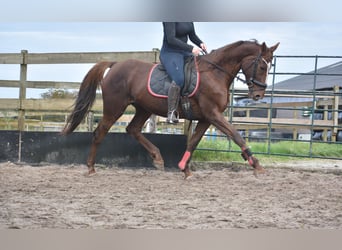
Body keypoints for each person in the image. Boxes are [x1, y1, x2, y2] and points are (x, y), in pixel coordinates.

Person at [160, 22, 207, 124]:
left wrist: (200, 43)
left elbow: (192, 35)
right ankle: (171, 112)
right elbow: (171, 39)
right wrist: (191, 48)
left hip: (185, 52)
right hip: (170, 52)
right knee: (179, 79)